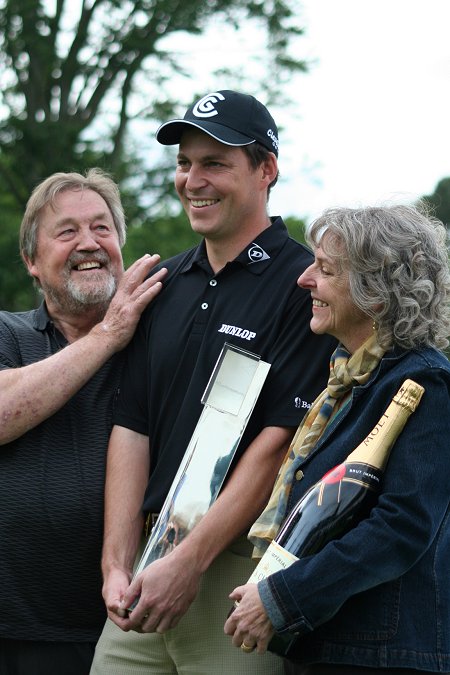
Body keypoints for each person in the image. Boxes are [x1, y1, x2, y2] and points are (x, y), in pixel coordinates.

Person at [89, 89, 337, 675]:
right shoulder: (161, 283)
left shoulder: (305, 287)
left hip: (234, 576)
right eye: (184, 163)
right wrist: (115, 564)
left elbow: (276, 444)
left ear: (266, 170)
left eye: (215, 163)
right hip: (145, 573)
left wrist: (191, 563)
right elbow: (132, 428)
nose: (192, 180)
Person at [224, 203, 450, 674]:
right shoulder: (351, 379)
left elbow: (400, 526)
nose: (304, 279)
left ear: (378, 293)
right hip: (335, 645)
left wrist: (283, 597)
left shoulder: (426, 384)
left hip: (378, 656)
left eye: (325, 269)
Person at [0, 169, 167, 675]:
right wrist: (106, 336)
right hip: (11, 628)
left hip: (127, 630)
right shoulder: (9, 334)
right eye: (67, 231)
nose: (88, 243)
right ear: (32, 261)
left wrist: (122, 334)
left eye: (101, 229)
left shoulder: (156, 342)